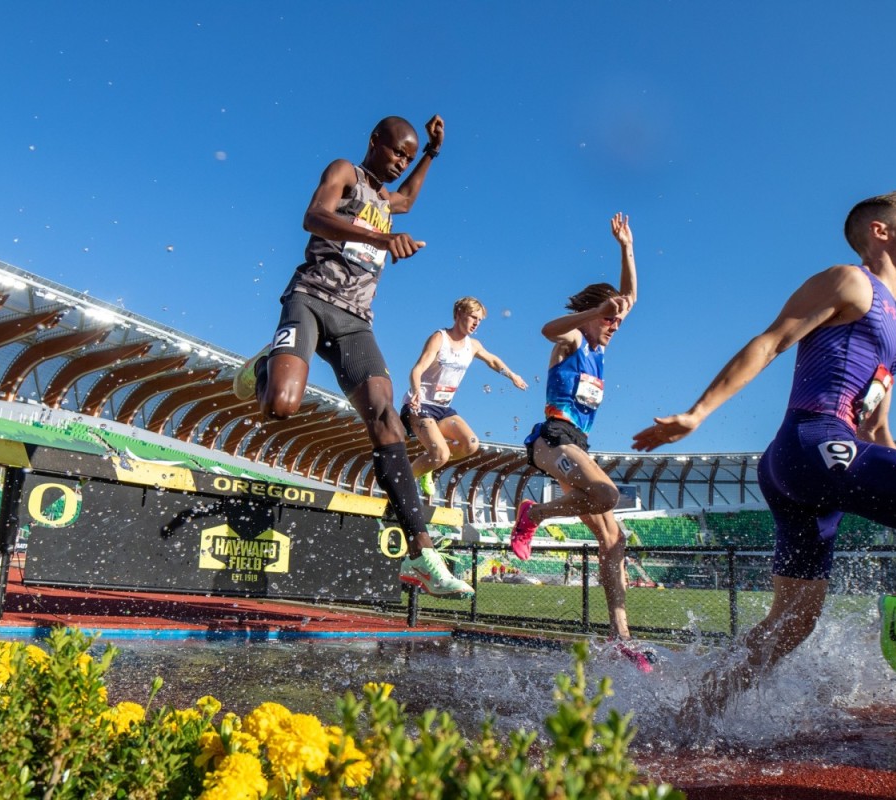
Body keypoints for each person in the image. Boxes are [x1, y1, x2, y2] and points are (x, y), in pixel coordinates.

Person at [632, 190, 896, 717]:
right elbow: (772, 340)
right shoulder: (851, 281)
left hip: (808, 465)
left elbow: (876, 428)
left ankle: (686, 716)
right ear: (880, 231)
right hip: (815, 445)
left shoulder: (894, 334)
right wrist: (697, 413)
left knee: (793, 622)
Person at [233, 114, 472, 598]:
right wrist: (381, 238)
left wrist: (431, 153)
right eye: (396, 152)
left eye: (406, 157)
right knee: (280, 405)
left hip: (355, 321)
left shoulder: (387, 199)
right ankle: (266, 365)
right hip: (311, 299)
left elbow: (405, 199)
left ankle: (421, 555)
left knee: (387, 419)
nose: (400, 162)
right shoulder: (345, 171)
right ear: (374, 143)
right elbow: (314, 216)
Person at [508, 213, 649, 670]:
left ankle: (621, 636)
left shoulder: (602, 349)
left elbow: (630, 299)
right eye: (610, 319)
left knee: (614, 539)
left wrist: (627, 249)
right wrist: (596, 312)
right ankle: (536, 514)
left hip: (579, 445)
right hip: (552, 438)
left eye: (617, 321)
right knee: (607, 493)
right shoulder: (572, 339)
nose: (614, 325)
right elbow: (547, 329)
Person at [400, 296, 528, 500]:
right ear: (458, 314)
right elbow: (417, 370)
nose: (476, 323)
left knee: (470, 444)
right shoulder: (440, 338)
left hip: (442, 408)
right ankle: (401, 486)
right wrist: (416, 391)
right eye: (473, 317)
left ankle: (429, 464)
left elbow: (492, 360)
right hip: (421, 404)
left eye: (480, 320)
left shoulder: (473, 345)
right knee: (440, 453)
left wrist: (512, 375)